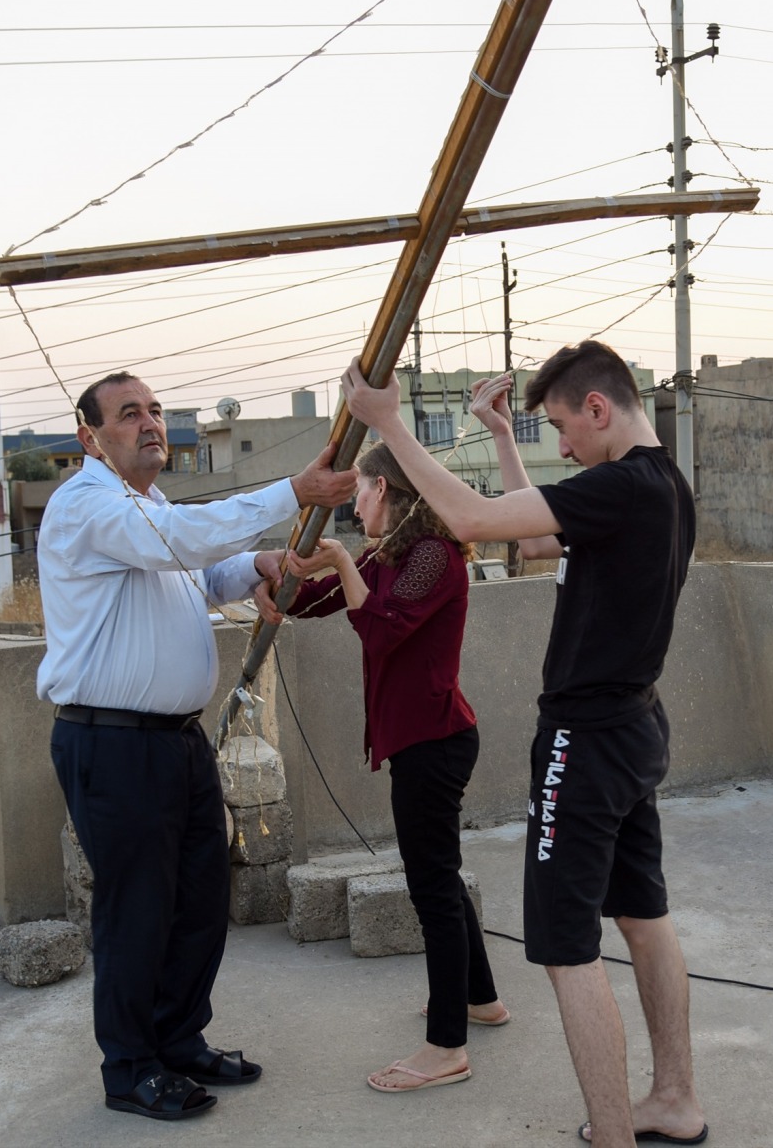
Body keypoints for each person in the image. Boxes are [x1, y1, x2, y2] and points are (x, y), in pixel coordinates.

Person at [340, 342, 706, 1148]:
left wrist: (390, 425)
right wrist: (503, 435)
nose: (564, 447)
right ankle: (674, 1098)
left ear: (601, 409)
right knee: (644, 914)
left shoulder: (621, 487)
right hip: (635, 723)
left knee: (568, 950)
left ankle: (614, 1136)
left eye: (565, 428)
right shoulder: (664, 488)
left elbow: (469, 521)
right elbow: (536, 538)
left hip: (586, 738)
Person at [39, 370, 357, 1122]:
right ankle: (130, 1067)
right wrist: (293, 494)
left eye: (153, 409)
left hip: (173, 745)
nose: (150, 422)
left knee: (199, 903)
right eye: (128, 414)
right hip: (112, 745)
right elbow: (178, 543)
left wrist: (256, 567)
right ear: (90, 436)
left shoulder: (145, 506)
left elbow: (199, 570)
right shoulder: (86, 505)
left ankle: (178, 1040)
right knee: (137, 911)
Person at [281, 442, 509, 1094]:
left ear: (384, 489)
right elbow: (321, 600)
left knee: (431, 887)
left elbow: (379, 630)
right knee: (441, 876)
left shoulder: (433, 557)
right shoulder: (396, 556)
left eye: (359, 490)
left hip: (434, 744)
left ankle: (446, 1048)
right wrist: (277, 582)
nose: (353, 505)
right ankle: (481, 997)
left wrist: (345, 561)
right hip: (425, 741)